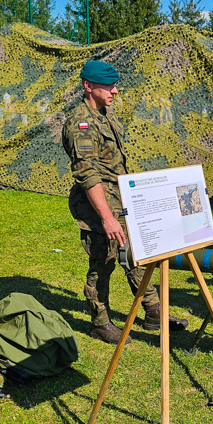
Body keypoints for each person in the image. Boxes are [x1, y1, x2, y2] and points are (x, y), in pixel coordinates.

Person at [62, 61, 188, 344]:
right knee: (103, 262)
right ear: (88, 86)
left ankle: (154, 311)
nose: (115, 91)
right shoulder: (81, 124)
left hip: (121, 200)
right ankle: (100, 321)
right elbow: (88, 174)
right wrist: (106, 218)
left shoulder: (104, 115)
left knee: (137, 254)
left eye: (115, 85)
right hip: (98, 207)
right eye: (108, 86)